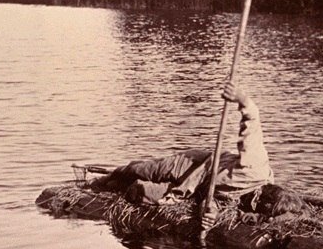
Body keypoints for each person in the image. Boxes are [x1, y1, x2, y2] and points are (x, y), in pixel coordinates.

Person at [91, 81, 274, 228]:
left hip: (194, 187)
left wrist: (210, 215)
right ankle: (110, 176)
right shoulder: (255, 166)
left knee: (142, 191)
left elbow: (215, 203)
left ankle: (121, 184)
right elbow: (253, 121)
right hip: (195, 164)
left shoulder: (245, 203)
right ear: (259, 193)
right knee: (142, 169)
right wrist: (242, 99)